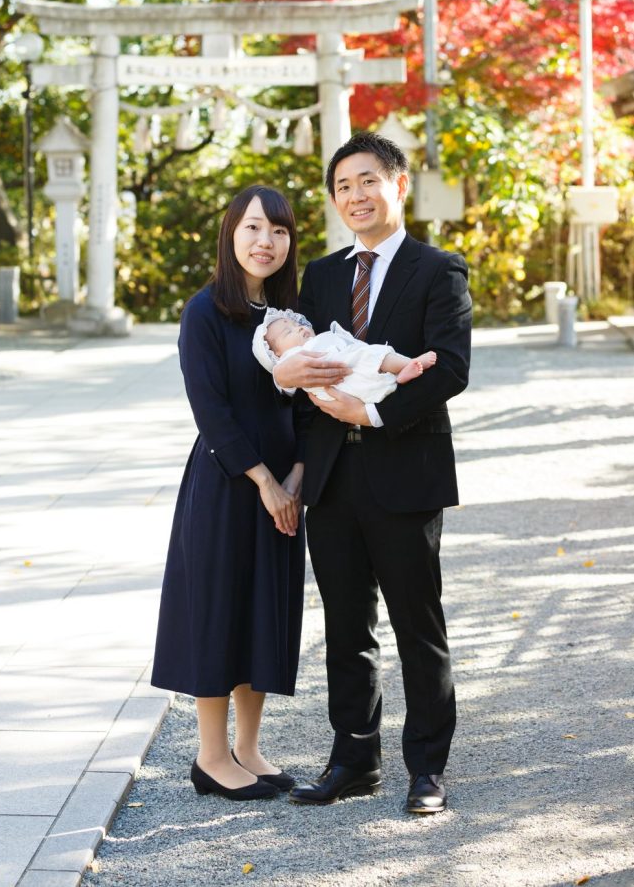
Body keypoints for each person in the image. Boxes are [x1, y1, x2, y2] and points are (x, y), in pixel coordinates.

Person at [273, 133, 472, 815]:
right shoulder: (322, 277)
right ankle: (352, 761)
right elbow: (303, 377)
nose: (353, 196)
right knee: (346, 626)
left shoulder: (437, 269)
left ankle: (426, 770)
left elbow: (448, 368)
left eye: (365, 181)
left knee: (416, 624)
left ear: (397, 185)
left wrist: (373, 413)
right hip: (330, 480)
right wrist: (298, 472)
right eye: (341, 188)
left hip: (404, 472)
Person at [151, 185, 306, 802]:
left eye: (278, 231)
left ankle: (249, 747)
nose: (265, 241)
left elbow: (313, 406)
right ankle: (210, 757)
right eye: (252, 228)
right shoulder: (204, 312)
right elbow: (210, 411)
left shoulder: (292, 316)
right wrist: (265, 481)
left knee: (263, 613)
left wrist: (297, 477)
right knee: (218, 613)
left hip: (284, 487)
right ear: (230, 235)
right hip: (226, 485)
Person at [253, 307, 437, 404]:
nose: (299, 327)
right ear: (276, 354)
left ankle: (397, 377)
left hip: (350, 381)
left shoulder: (316, 340)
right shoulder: (291, 357)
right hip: (340, 380)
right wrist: (280, 375)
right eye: (288, 332)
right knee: (372, 354)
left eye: (295, 324)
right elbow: (287, 383)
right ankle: (407, 365)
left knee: (369, 361)